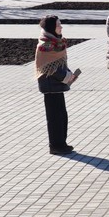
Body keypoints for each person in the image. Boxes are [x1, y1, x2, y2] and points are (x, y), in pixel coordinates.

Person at [35, 16, 79, 155]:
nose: (61, 27)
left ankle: (61, 143)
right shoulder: (45, 45)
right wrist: (67, 77)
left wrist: (69, 74)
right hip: (50, 86)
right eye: (58, 25)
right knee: (54, 118)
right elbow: (50, 68)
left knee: (62, 116)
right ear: (51, 27)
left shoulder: (56, 42)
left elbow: (60, 63)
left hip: (57, 85)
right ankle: (55, 146)